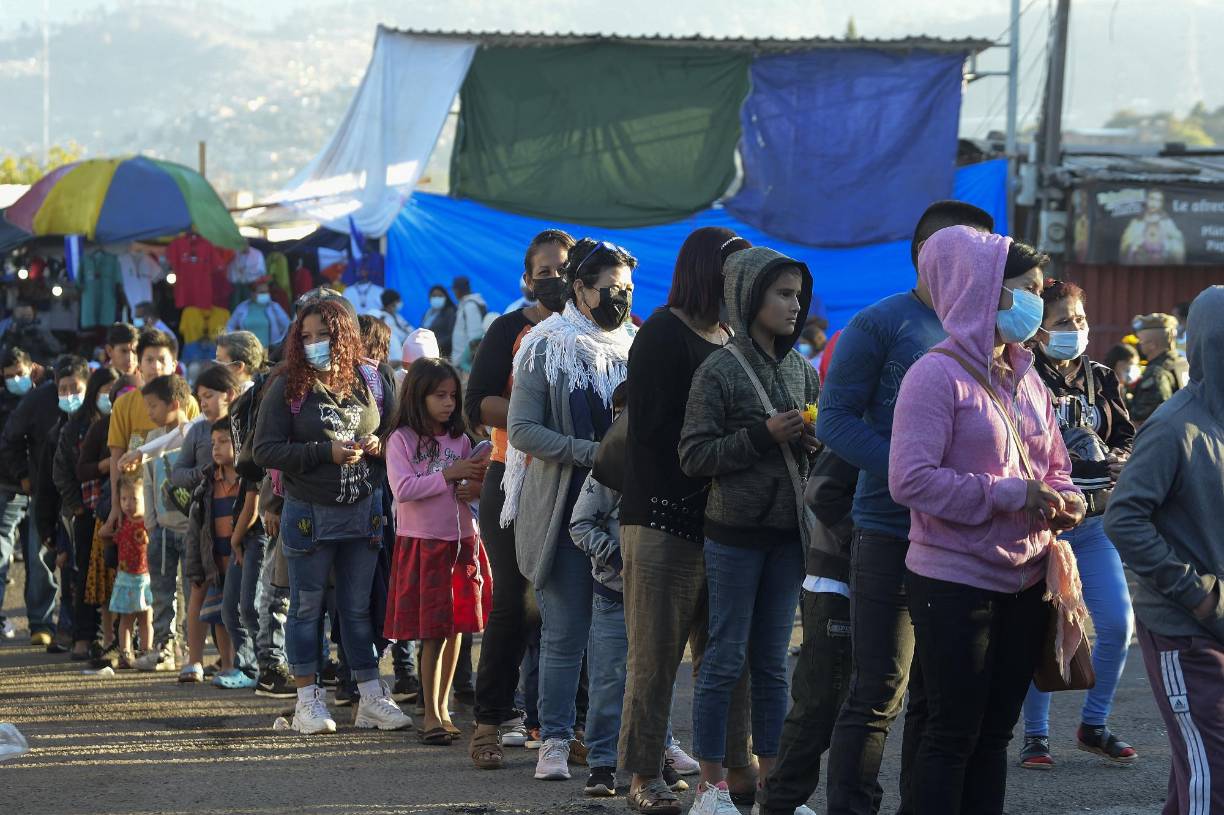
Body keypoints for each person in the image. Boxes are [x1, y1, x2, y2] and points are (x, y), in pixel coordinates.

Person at [888, 228, 1084, 815]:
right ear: (982, 290)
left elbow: (1055, 463)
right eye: (1024, 289)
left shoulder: (1025, 373)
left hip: (1026, 578)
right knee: (952, 734)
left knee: (995, 735)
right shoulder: (934, 375)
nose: (1034, 302)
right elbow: (910, 480)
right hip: (953, 581)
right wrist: (1009, 494)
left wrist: (1064, 496)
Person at [817, 200, 994, 815]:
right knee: (878, 691)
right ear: (926, 254)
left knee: (939, 696)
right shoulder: (879, 324)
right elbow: (834, 420)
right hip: (890, 531)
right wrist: (906, 470)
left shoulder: (986, 331)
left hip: (963, 541)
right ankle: (852, 806)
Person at [679, 246, 820, 815]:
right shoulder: (717, 369)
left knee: (771, 662)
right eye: (783, 294)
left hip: (789, 536)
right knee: (723, 657)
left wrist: (811, 443)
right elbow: (692, 455)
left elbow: (813, 450)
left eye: (797, 294)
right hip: (733, 536)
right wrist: (762, 436)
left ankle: (773, 790)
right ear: (747, 296)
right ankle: (711, 788)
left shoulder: (803, 370)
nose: (795, 305)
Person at [619, 227, 754, 815]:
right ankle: (643, 778)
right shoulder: (662, 335)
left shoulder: (735, 338)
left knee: (728, 660)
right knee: (654, 660)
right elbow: (651, 434)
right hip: (661, 520)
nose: (744, 284)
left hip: (724, 526)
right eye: (735, 271)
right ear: (708, 272)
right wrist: (730, 447)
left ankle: (729, 775)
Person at [503, 237, 636, 781]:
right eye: (610, 290)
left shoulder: (636, 343)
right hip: (562, 508)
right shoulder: (545, 344)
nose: (621, 300)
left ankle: (645, 739)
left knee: (630, 637)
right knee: (566, 634)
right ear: (579, 288)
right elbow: (521, 429)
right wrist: (596, 455)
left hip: (624, 510)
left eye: (628, 289)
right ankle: (554, 740)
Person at [252, 296, 411, 734]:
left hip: (363, 514)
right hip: (308, 516)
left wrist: (377, 445)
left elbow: (390, 430)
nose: (314, 343)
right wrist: (325, 451)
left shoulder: (367, 377)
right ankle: (308, 701)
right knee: (306, 608)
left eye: (323, 334)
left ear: (344, 335)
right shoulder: (287, 385)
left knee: (357, 610)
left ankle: (371, 697)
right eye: (305, 336)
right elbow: (264, 450)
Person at [1105, 285, 1224, 815]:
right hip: (1186, 632)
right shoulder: (1174, 426)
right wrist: (1196, 595)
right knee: (1212, 777)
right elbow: (1123, 518)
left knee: (1198, 774)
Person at [465, 227, 575, 770]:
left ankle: (560, 728)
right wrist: (537, 419)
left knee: (572, 606)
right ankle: (488, 723)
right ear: (527, 279)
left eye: (564, 269)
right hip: (513, 479)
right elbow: (476, 403)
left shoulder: (603, 333)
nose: (554, 279)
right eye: (545, 271)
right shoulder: (509, 329)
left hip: (578, 483)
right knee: (516, 604)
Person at [1019, 279, 1137, 770]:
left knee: (1116, 623)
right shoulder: (1020, 372)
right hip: (1039, 527)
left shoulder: (1103, 377)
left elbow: (1126, 435)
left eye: (1080, 320)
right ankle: (1035, 736)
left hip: (1093, 523)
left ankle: (1094, 723)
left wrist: (1122, 460)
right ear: (1039, 328)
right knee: (1040, 629)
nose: (1075, 329)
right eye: (1064, 322)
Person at [570, 383, 694, 798]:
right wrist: (619, 559)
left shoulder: (674, 465)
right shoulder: (611, 466)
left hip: (660, 594)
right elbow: (580, 524)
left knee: (658, 679)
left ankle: (655, 759)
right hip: (614, 591)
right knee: (608, 680)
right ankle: (602, 765)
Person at [385, 356, 491, 745]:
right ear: (418, 396)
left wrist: (471, 487)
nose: (448, 403)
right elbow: (403, 489)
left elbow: (472, 489)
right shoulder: (401, 439)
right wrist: (449, 474)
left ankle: (444, 708)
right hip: (423, 543)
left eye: (453, 395)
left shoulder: (462, 440)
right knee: (432, 632)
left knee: (457, 628)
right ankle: (430, 713)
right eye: (439, 395)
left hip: (462, 541)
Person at [754, 449, 858, 815]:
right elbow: (820, 491)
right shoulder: (866, 425)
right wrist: (864, 540)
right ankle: (777, 802)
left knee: (859, 708)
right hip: (835, 581)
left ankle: (856, 800)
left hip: (867, 584)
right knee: (821, 705)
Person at [106, 329, 200, 671]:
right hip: (157, 524)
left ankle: (192, 651)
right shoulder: (128, 409)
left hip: (189, 525)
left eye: (163, 359)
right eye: (149, 358)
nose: (155, 365)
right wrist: (141, 518)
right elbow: (139, 472)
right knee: (160, 590)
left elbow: (180, 435)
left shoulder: (191, 426)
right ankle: (163, 647)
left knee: (192, 590)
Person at [0, 353, 91, 645]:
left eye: (74, 388)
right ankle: (42, 623)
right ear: (53, 384)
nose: (69, 396)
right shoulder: (37, 401)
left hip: (78, 495)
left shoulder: (95, 408)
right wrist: (23, 475)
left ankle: (63, 625)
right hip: (38, 491)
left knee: (67, 561)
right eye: (62, 389)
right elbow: (10, 438)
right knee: (38, 557)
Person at [52, 366, 120, 660]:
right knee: (86, 578)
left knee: (120, 575)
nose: (109, 398)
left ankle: (119, 640)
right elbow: (64, 471)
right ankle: (84, 637)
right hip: (87, 511)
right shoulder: (79, 425)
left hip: (124, 510)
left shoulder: (125, 420)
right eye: (104, 392)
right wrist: (77, 506)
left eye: (113, 392)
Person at [181, 419, 241, 684]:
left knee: (241, 613)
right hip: (216, 562)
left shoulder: (249, 482)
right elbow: (196, 531)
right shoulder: (206, 484)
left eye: (223, 441)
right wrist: (196, 564)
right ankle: (227, 665)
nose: (216, 448)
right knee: (219, 615)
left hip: (241, 560)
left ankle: (247, 664)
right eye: (213, 443)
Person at [0, 346, 48, 640]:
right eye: (9, 376)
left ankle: (41, 624)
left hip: (41, 489)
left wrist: (49, 374)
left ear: (32, 368)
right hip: (7, 487)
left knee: (39, 559)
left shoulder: (46, 394)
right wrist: (21, 475)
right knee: (1, 556)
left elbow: (75, 378)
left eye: (21, 373)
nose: (16, 380)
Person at [104, 473, 155, 669]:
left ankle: (145, 651)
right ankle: (125, 653)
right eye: (124, 499)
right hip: (125, 579)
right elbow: (104, 535)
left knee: (146, 618)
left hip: (144, 577)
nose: (128, 504)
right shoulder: (121, 522)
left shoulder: (147, 523)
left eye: (134, 498)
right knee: (125, 619)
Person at [1130, 313, 1189, 426]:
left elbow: (1144, 418)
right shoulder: (1183, 363)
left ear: (1152, 344)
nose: (1139, 345)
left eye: (1141, 341)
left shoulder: (1156, 372)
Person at [226, 277, 291, 350]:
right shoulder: (242, 308)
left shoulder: (274, 307)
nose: (266, 294)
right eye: (262, 292)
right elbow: (229, 327)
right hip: (247, 352)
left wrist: (278, 343)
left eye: (267, 292)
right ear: (252, 293)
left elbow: (288, 326)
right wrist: (236, 342)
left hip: (269, 353)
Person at [451, 276, 488, 366]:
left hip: (465, 364)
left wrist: (467, 364)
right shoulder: (464, 305)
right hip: (461, 361)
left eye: (454, 290)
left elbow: (475, 337)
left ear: (457, 290)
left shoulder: (470, 306)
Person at [422, 285, 457, 360]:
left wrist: (436, 345)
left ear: (446, 297)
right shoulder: (428, 313)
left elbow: (452, 334)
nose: (436, 298)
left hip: (444, 352)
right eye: (434, 296)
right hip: (427, 352)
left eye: (440, 295)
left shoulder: (450, 312)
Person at [380, 289, 414, 358]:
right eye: (398, 301)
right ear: (391, 303)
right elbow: (395, 337)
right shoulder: (382, 317)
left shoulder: (397, 316)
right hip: (393, 354)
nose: (400, 303)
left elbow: (411, 330)